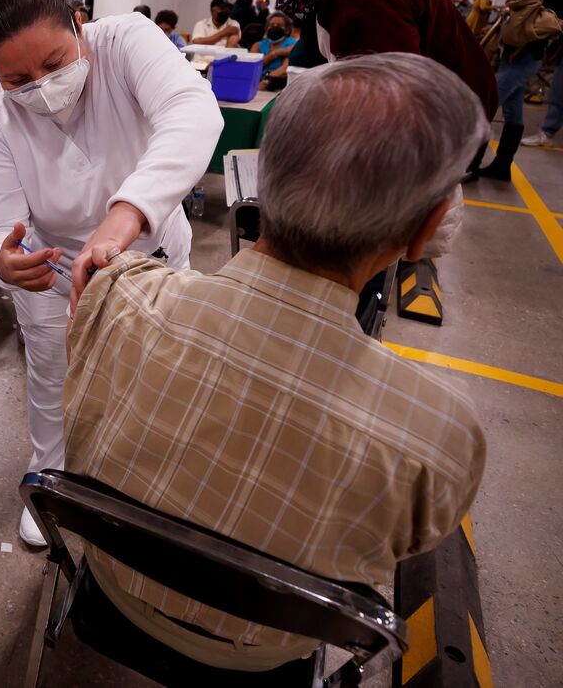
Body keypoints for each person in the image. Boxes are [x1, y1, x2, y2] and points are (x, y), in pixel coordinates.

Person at [64, 53, 485, 672]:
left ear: (261, 176)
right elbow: (403, 543)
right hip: (259, 663)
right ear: (424, 235)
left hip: (110, 604)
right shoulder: (438, 436)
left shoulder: (120, 297)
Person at [0, 0, 222, 546]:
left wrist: (126, 213)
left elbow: (193, 111)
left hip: (149, 254)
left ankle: (149, 480)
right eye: (19, 81)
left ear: (79, 26)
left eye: (55, 63)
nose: (42, 87)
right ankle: (50, 476)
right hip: (54, 273)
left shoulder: (127, 40)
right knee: (53, 380)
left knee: (160, 376)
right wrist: (1, 263)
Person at [260, 0, 497, 325]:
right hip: (431, 93)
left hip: (443, 108)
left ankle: (357, 315)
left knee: (376, 219)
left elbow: (391, 100)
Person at [483, 0, 563, 169]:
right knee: (513, 110)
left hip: (526, 58)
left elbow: (546, 28)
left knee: (487, 104)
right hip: (511, 55)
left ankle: (469, 164)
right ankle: (502, 166)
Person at [252, 11, 297, 90]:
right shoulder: (258, 45)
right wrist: (275, 54)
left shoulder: (291, 44)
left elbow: (284, 70)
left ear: (287, 29)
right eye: (271, 25)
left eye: (279, 25)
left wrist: (266, 81)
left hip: (277, 84)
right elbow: (252, 66)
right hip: (257, 83)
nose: (275, 27)